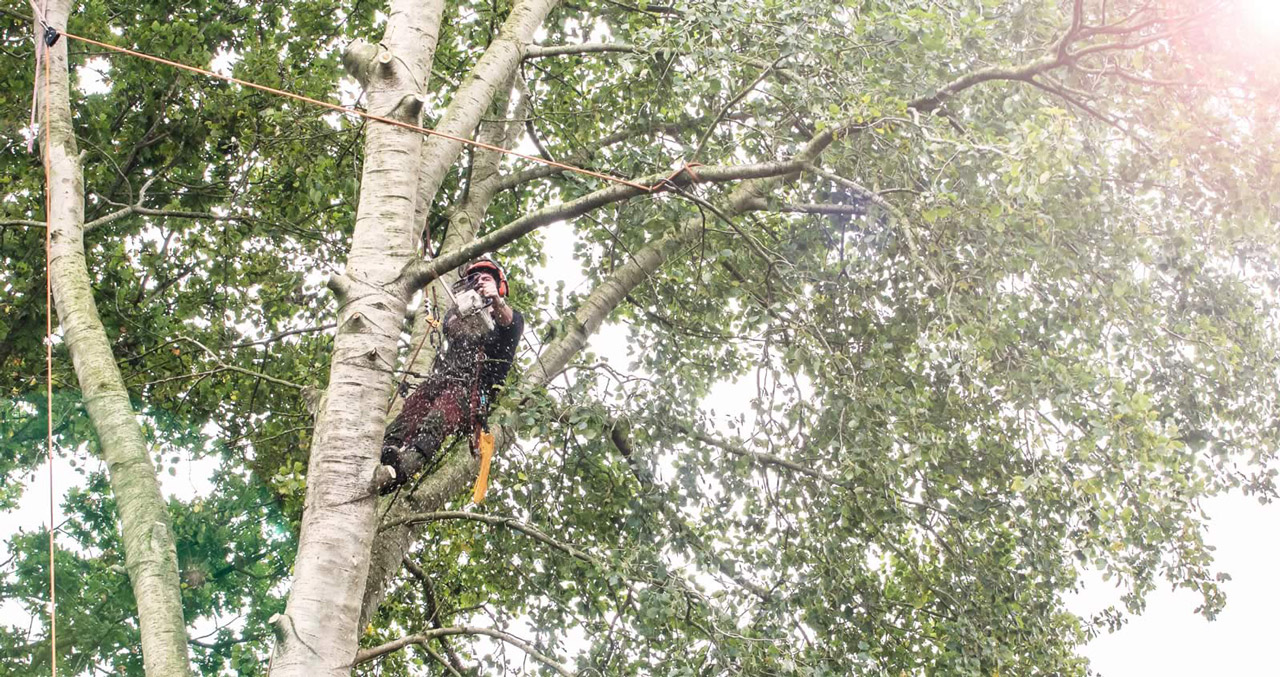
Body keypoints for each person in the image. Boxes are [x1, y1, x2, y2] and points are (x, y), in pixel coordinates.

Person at [379, 258, 524, 495]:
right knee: (416, 404)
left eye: (486, 280)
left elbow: (508, 321)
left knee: (440, 413)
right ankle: (388, 446)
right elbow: (451, 326)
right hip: (445, 378)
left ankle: (407, 463)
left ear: (499, 286)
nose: (480, 284)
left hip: (473, 391)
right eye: (475, 281)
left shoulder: (510, 319)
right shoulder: (457, 315)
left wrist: (495, 301)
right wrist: (466, 307)